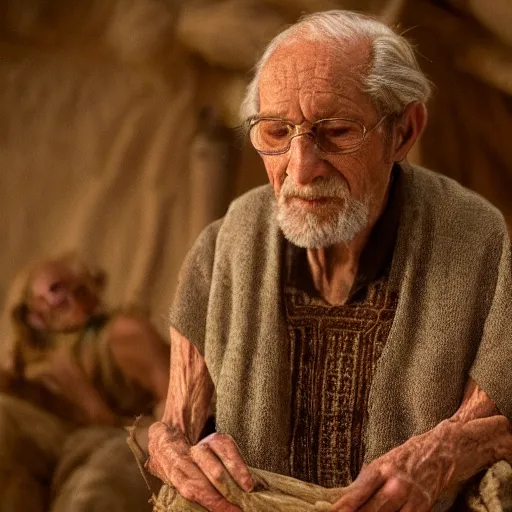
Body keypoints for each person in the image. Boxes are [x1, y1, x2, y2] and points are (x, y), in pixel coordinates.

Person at [146, 10, 512, 512]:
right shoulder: (222, 247)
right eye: (276, 133)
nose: (302, 168)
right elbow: (175, 427)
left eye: (337, 132)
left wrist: (447, 450)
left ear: (403, 132)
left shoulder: (480, 241)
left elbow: (498, 425)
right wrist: (172, 451)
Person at [0, 253, 170, 511]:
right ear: (33, 315)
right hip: (61, 444)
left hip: (118, 438)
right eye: (56, 289)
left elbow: (176, 402)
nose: (75, 293)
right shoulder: (36, 359)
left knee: (96, 487)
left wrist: (87, 399)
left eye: (80, 284)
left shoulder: (122, 333)